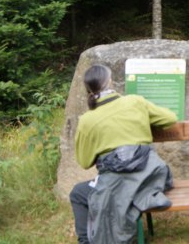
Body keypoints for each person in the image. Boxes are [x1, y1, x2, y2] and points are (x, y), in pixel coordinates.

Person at [69, 64, 178, 244]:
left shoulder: (87, 120)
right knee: (120, 189)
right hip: (150, 177)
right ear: (110, 81)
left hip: (117, 181)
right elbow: (170, 118)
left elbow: (84, 161)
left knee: (78, 193)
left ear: (88, 89)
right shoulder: (135, 102)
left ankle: (85, 242)